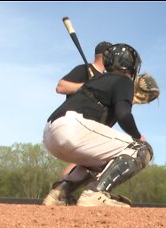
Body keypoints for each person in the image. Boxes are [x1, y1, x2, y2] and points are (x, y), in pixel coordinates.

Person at [42, 43, 153, 207]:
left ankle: (61, 193)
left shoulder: (96, 80)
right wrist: (138, 136)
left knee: (104, 159)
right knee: (141, 149)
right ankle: (96, 194)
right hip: (72, 127)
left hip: (50, 133)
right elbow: (123, 114)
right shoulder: (123, 80)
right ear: (131, 65)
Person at [47, 41, 113, 204]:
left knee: (82, 163)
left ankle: (61, 192)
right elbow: (61, 87)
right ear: (105, 55)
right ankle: (68, 193)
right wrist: (86, 86)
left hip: (92, 127)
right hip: (75, 122)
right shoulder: (84, 70)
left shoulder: (105, 79)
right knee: (94, 160)